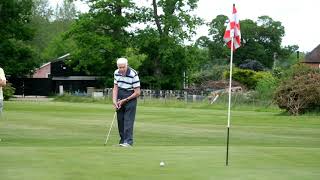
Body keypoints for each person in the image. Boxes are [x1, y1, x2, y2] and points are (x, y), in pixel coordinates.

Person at [112, 58, 140, 147]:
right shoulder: (116, 72)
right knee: (120, 120)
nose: (121, 69)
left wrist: (125, 100)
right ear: (117, 66)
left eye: (123, 67)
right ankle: (122, 141)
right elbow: (115, 87)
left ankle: (128, 142)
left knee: (128, 120)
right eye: (120, 67)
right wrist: (114, 100)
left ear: (127, 65)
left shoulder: (133, 74)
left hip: (131, 96)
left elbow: (137, 92)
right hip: (120, 95)